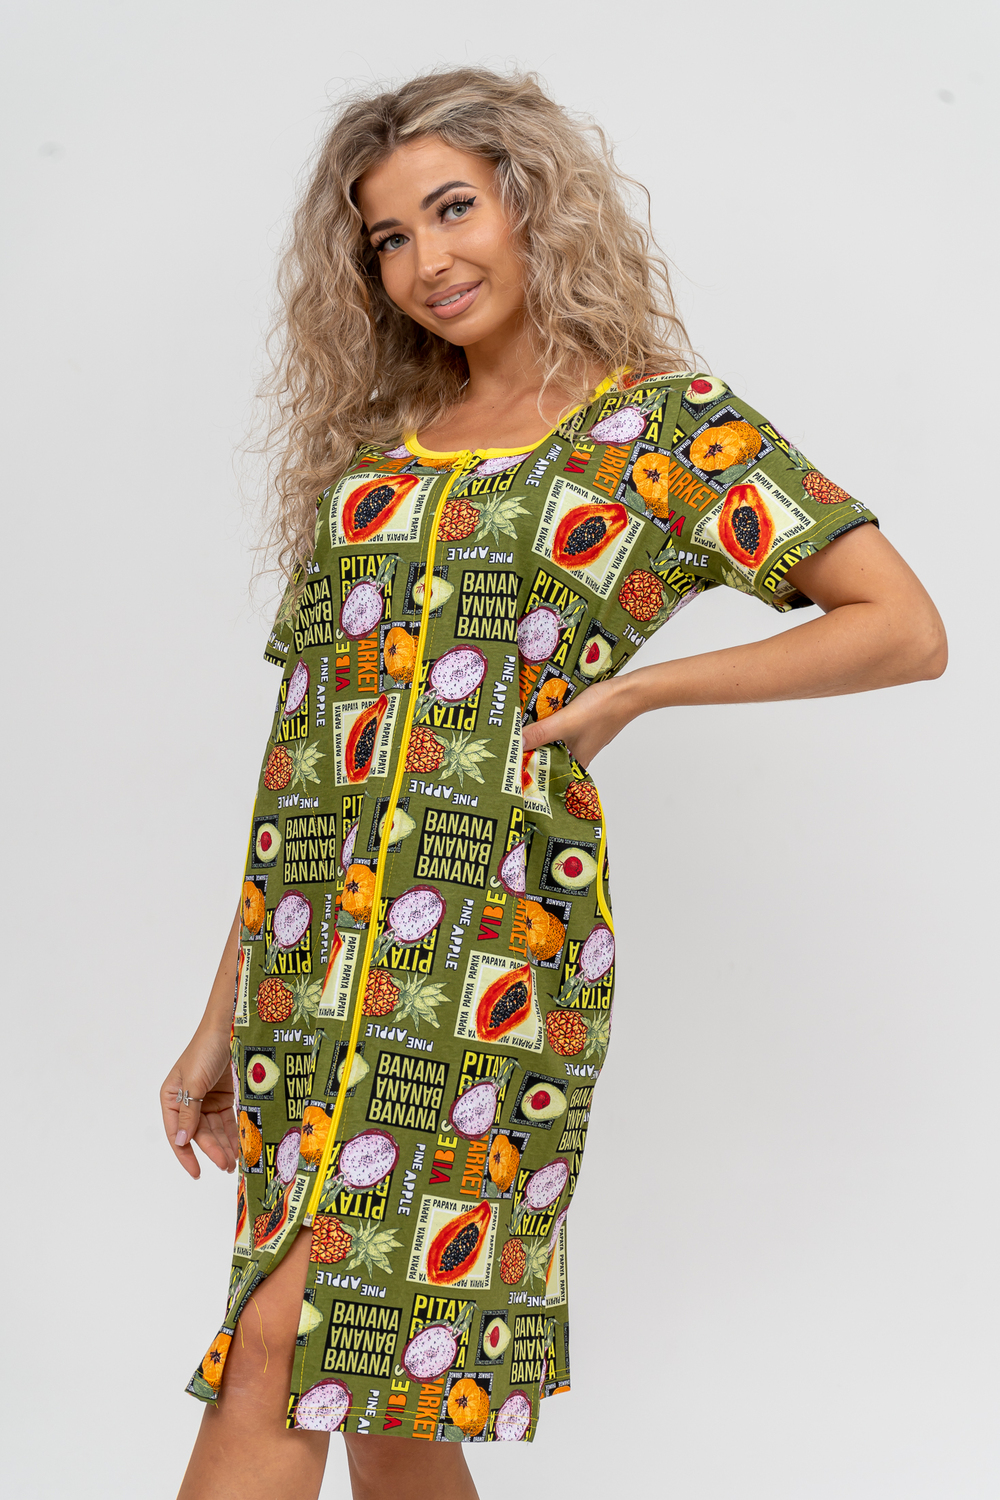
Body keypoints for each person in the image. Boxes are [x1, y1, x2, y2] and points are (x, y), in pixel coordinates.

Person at [162, 67, 946, 1500]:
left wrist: (639, 689)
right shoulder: (373, 472)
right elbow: (309, 764)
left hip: (486, 961)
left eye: (454, 208)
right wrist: (219, 1014)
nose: (427, 259)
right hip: (305, 969)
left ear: (533, 204)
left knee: (286, 1346)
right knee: (385, 1395)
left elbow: (901, 626)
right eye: (388, 237)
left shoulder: (665, 427)